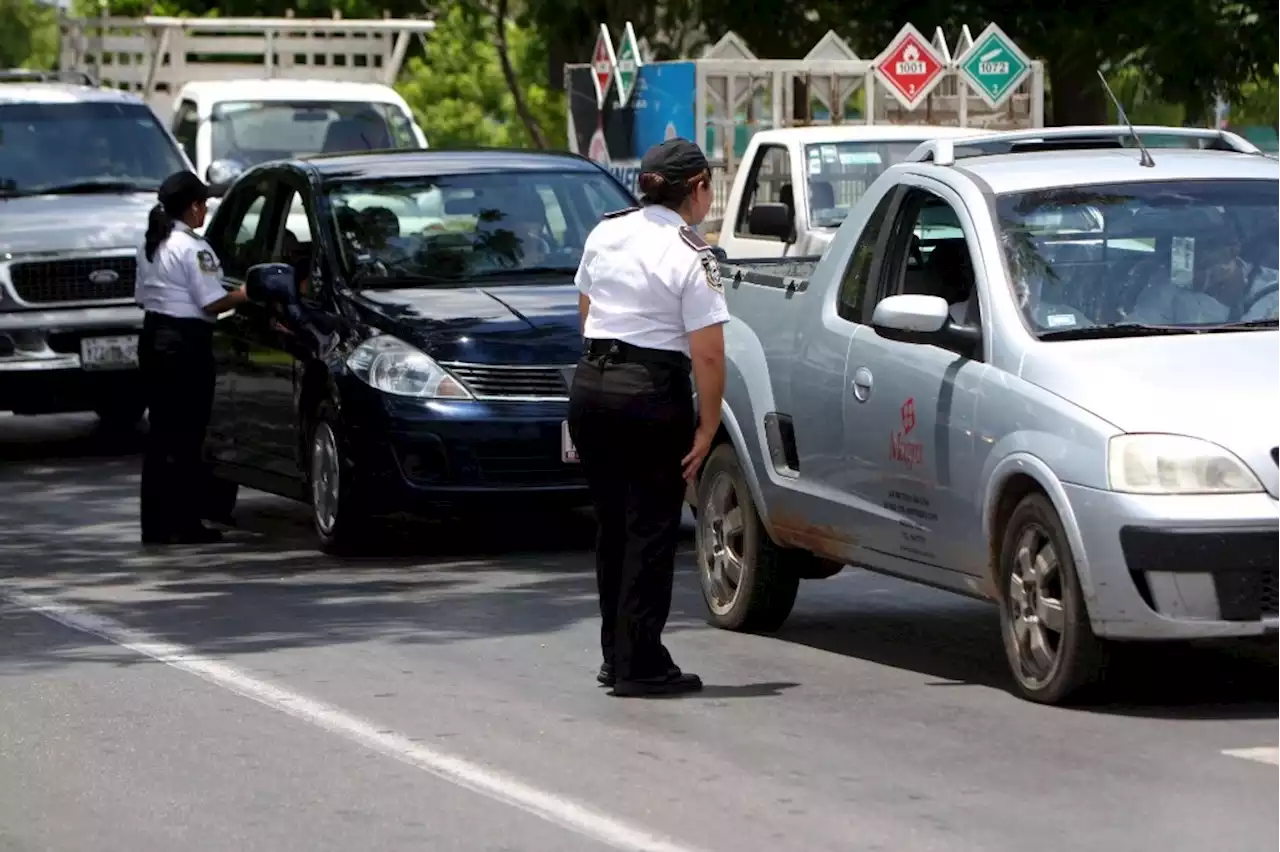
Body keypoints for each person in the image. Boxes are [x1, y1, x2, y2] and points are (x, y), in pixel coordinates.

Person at [568, 138, 729, 698]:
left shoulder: (606, 230)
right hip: (649, 394)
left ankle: (618, 656)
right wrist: (708, 427)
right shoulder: (693, 253)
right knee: (652, 530)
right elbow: (707, 353)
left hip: (591, 386)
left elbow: (586, 310)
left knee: (613, 527)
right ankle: (640, 662)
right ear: (698, 189)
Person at [135, 170, 249, 545]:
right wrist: (249, 293)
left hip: (154, 337)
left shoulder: (152, 243)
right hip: (185, 344)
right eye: (205, 204)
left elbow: (141, 297)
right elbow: (212, 301)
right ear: (194, 207)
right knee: (186, 435)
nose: (206, 211)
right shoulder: (192, 247)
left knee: (161, 435)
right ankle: (184, 523)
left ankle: (155, 524)